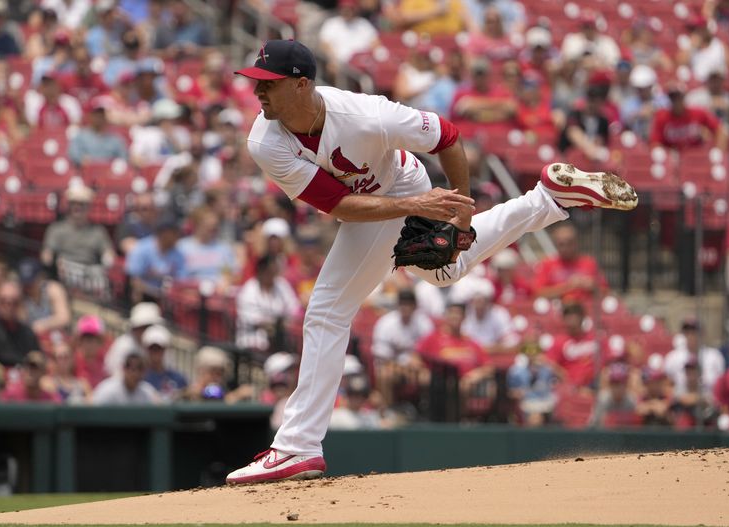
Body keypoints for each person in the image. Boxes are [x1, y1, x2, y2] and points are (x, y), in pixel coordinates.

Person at [225, 39, 637, 483]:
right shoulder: (265, 140)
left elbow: (447, 135)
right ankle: (548, 199)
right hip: (381, 202)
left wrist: (461, 209)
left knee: (327, 309)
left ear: (303, 84)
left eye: (269, 83)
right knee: (446, 271)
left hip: (402, 184)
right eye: (255, 83)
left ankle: (296, 447)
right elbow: (341, 206)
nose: (258, 92)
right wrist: (427, 206)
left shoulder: (366, 115)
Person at [371, 288, 433, 407]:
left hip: (417, 368)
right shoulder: (386, 323)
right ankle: (388, 411)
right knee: (384, 375)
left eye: (409, 304)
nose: (405, 307)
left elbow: (429, 351)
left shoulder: (423, 322)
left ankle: (425, 414)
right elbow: (382, 358)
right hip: (393, 366)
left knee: (428, 377)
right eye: (402, 304)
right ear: (398, 305)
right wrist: (404, 369)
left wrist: (418, 363)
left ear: (415, 306)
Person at [235, 253, 302, 353]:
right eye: (269, 271)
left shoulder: (281, 284)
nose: (271, 275)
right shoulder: (249, 289)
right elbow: (254, 320)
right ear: (261, 271)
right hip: (252, 342)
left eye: (274, 272)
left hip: (281, 340)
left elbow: (294, 307)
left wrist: (287, 321)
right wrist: (278, 323)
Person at [40, 185, 116, 270]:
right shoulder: (56, 229)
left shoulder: (98, 231)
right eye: (73, 203)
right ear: (69, 205)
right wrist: (50, 258)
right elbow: (47, 254)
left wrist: (108, 259)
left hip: (90, 273)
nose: (77, 207)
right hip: (64, 273)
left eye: (82, 204)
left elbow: (108, 252)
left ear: (89, 207)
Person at [532, 222, 608, 304]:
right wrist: (569, 286)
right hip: (558, 309)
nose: (565, 248)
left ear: (576, 242)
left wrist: (592, 286)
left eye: (569, 243)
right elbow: (538, 293)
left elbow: (606, 292)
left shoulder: (590, 263)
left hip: (586, 309)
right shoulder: (547, 264)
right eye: (561, 244)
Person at [650, 81, 727, 151]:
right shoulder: (661, 117)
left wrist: (718, 153)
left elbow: (720, 131)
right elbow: (655, 144)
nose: (676, 101)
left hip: (696, 156)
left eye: (679, 97)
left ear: (683, 97)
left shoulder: (698, 113)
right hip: (673, 158)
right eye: (673, 97)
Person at [544, 302, 606, 389]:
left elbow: (607, 360)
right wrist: (565, 377)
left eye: (574, 315)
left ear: (582, 317)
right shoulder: (559, 341)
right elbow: (549, 362)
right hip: (572, 384)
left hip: (595, 381)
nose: (571, 319)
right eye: (568, 316)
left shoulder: (595, 338)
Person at [125, 217, 186, 302]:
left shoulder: (178, 254)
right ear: (164, 233)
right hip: (144, 298)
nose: (177, 236)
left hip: (169, 300)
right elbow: (134, 281)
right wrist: (157, 294)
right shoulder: (142, 249)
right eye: (174, 233)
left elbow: (181, 281)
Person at [664, 317, 725, 399]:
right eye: (687, 332)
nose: (691, 335)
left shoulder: (714, 356)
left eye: (694, 332)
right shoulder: (672, 358)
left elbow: (721, 386)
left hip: (708, 404)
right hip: (680, 404)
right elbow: (667, 386)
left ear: (702, 333)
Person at [103, 302, 165, 376]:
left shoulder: (157, 346)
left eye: (150, 327)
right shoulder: (123, 346)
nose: (147, 331)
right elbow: (115, 375)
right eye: (143, 327)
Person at [507, 339, 558, 426]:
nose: (532, 355)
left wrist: (548, 364)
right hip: (527, 402)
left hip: (545, 401)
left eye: (535, 351)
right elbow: (511, 392)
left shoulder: (548, 369)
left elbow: (560, 382)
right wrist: (519, 393)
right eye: (528, 351)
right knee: (534, 418)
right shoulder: (516, 371)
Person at [17, 258, 71, 337]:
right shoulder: (21, 295)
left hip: (56, 336)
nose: (27, 286)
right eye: (25, 282)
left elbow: (64, 318)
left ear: (40, 278)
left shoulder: (53, 289)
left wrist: (42, 325)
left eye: (31, 282)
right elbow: (22, 321)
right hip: (33, 338)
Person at [67, 99, 128, 167]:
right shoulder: (80, 136)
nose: (100, 117)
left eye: (102, 114)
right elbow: (74, 155)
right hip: (86, 174)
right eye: (97, 114)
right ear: (90, 115)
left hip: (109, 175)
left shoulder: (115, 139)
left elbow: (123, 158)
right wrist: (83, 161)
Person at [0, 281, 41, 368]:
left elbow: (36, 358)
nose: (9, 306)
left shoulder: (27, 333)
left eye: (14, 302)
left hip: (24, 377)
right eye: (4, 301)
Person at [92, 352, 161, 405]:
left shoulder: (147, 391)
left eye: (140, 369)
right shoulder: (108, 390)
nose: (136, 374)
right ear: (124, 369)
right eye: (132, 369)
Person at [142, 325, 187, 401]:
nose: (155, 352)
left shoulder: (178, 378)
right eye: (152, 349)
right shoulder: (140, 377)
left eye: (159, 349)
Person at [588, 362, 638, 428]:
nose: (617, 387)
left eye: (620, 383)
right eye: (613, 383)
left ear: (626, 384)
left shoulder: (631, 400)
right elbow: (593, 426)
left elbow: (634, 428)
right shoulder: (603, 399)